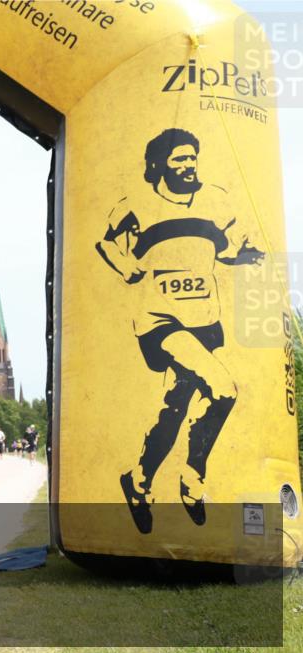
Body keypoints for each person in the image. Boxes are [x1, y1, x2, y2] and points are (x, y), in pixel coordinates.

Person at [95, 128, 264, 534]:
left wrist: (246, 258)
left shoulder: (216, 200)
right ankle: (193, 477)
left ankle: (137, 481)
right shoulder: (137, 203)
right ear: (158, 166)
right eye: (179, 160)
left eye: (192, 159)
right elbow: (106, 242)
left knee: (173, 409)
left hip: (204, 320)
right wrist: (126, 267)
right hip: (159, 321)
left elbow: (224, 252)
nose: (188, 166)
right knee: (224, 388)